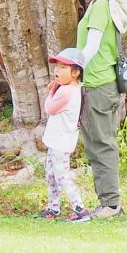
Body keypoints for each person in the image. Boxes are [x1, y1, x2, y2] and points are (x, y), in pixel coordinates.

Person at [75, 0, 125, 219]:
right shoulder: (99, 4)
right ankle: (107, 202)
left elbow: (92, 47)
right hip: (98, 84)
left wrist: (71, 71)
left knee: (102, 144)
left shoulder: (102, 6)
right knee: (96, 144)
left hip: (99, 85)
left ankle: (112, 204)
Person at [39, 47, 88, 222]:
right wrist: (56, 87)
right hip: (59, 140)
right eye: (57, 66)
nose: (57, 70)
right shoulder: (73, 88)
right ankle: (53, 207)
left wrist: (52, 90)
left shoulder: (66, 91)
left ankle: (80, 209)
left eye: (63, 67)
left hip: (60, 142)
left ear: (75, 73)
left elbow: (49, 108)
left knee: (61, 175)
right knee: (51, 174)